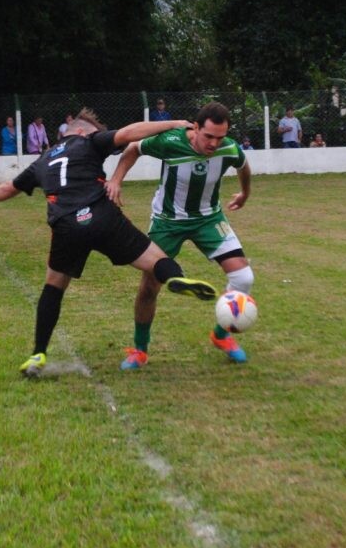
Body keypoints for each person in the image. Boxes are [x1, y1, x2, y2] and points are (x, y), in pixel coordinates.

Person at [0, 108, 217, 377]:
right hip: (101, 215)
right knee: (155, 260)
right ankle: (176, 277)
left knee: (53, 287)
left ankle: (38, 353)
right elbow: (129, 134)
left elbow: (9, 188)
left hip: (65, 224)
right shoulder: (88, 141)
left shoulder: (42, 160)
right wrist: (175, 123)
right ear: (83, 131)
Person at [106, 101, 254, 370]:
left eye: (219, 138)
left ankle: (221, 336)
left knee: (243, 277)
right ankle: (139, 349)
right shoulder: (171, 142)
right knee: (150, 286)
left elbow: (243, 166)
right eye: (208, 136)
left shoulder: (229, 147)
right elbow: (133, 148)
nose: (213, 144)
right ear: (195, 128)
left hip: (209, 219)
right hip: (168, 222)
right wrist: (115, 179)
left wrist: (245, 193)